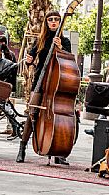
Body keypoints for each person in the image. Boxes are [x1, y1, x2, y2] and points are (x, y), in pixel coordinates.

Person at [16, 11, 72, 164]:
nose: (53, 22)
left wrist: (60, 48)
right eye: (50, 20)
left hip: (56, 84)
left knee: (58, 116)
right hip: (40, 81)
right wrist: (28, 60)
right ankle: (22, 148)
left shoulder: (65, 41)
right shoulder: (40, 40)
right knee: (32, 112)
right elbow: (30, 59)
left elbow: (68, 58)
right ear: (46, 23)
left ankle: (58, 152)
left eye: (56, 20)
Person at [0, 35, 18, 139]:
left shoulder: (5, 55)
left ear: (2, 43)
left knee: (5, 107)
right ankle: (11, 127)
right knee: (6, 107)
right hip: (7, 84)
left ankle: (13, 127)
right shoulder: (10, 54)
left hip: (4, 84)